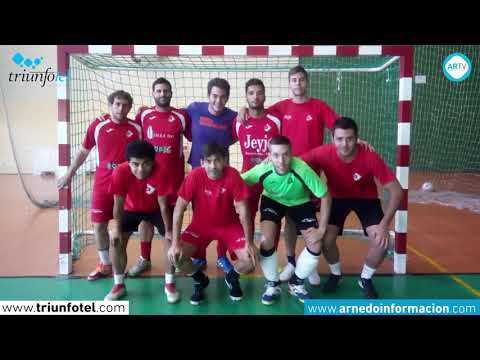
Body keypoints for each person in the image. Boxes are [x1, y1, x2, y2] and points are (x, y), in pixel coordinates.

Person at [237, 65, 339, 286]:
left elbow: (337, 128)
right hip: (280, 169)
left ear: (307, 82)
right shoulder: (281, 108)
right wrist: (243, 108)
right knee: (284, 221)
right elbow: (258, 111)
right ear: (289, 83)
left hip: (306, 173)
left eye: (302, 79)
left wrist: (353, 141)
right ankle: (292, 261)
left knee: (299, 219)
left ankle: (305, 265)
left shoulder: (319, 106)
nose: (298, 83)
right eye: (294, 80)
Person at [301, 117, 402, 299]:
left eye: (349, 138)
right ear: (332, 138)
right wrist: (272, 158)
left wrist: (384, 224)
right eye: (340, 139)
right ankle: (336, 274)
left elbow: (397, 191)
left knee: (382, 242)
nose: (345, 144)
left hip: (366, 200)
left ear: (357, 138)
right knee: (326, 240)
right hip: (336, 199)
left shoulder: (370, 156)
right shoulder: (323, 152)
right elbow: (296, 162)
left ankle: (365, 278)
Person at [56, 90, 142, 281]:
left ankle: (130, 262)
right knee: (99, 225)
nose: (121, 108)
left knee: (128, 226)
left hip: (129, 185)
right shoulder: (98, 125)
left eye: (125, 105)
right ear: (110, 105)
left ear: (129, 107)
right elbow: (83, 152)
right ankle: (105, 264)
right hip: (103, 183)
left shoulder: (136, 128)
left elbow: (143, 156)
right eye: (117, 104)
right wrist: (69, 174)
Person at [241, 135, 331, 304]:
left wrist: (322, 229)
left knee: (316, 243)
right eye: (275, 155)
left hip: (300, 202)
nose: (281, 160)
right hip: (273, 201)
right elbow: (239, 180)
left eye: (285, 154)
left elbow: (325, 196)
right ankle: (273, 283)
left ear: (292, 154)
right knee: (266, 240)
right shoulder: (263, 168)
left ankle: (296, 283)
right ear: (269, 156)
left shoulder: (302, 168)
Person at [167, 142, 256, 305]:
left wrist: (249, 242)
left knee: (250, 260)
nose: (213, 166)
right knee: (176, 257)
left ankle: (232, 276)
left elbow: (244, 212)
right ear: (202, 163)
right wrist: (174, 243)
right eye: (208, 161)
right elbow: (178, 210)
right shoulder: (194, 176)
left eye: (217, 161)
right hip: (200, 226)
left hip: (229, 226)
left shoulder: (233, 176)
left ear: (225, 161)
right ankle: (200, 280)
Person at [127, 78, 190, 292]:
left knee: (171, 221)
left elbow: (194, 136)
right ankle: (144, 258)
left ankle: (173, 259)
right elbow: (132, 138)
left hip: (172, 179)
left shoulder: (181, 116)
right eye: (159, 91)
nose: (162, 94)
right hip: (145, 178)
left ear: (171, 93)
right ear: (153, 93)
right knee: (146, 218)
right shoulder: (144, 115)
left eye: (166, 91)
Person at [105, 140, 177, 301]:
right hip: (131, 209)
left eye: (146, 164)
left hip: (156, 209)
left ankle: (170, 283)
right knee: (115, 240)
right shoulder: (119, 172)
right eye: (135, 164)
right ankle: (118, 284)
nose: (140, 169)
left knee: (170, 240)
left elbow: (164, 206)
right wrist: (116, 227)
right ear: (128, 162)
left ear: (153, 162)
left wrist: (169, 232)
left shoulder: (162, 172)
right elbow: (118, 204)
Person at [183, 78, 239, 273]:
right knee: (199, 214)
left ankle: (222, 256)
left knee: (223, 213)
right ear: (208, 95)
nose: (218, 101)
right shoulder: (194, 109)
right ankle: (199, 256)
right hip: (198, 172)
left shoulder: (233, 117)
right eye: (215, 96)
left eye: (223, 97)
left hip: (221, 172)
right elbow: (175, 118)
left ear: (227, 98)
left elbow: (234, 136)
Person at [233, 78, 281, 240]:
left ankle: (270, 255)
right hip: (249, 177)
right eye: (251, 93)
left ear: (265, 96)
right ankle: (246, 250)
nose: (255, 97)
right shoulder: (239, 122)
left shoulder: (275, 120)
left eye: (259, 93)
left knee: (272, 220)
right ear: (246, 96)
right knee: (245, 218)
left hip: (272, 178)